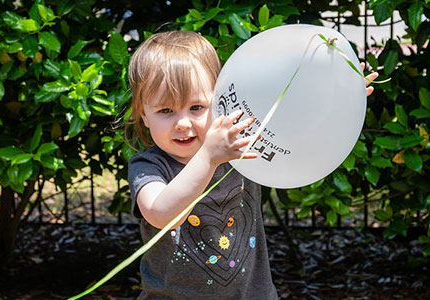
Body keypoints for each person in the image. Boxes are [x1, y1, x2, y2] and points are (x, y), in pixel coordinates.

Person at [127, 30, 378, 300]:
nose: (183, 123)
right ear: (144, 115)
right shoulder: (149, 166)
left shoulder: (241, 145)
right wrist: (208, 157)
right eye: (166, 111)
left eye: (197, 107)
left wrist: (336, 95)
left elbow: (293, 121)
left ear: (219, 96)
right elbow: (161, 214)